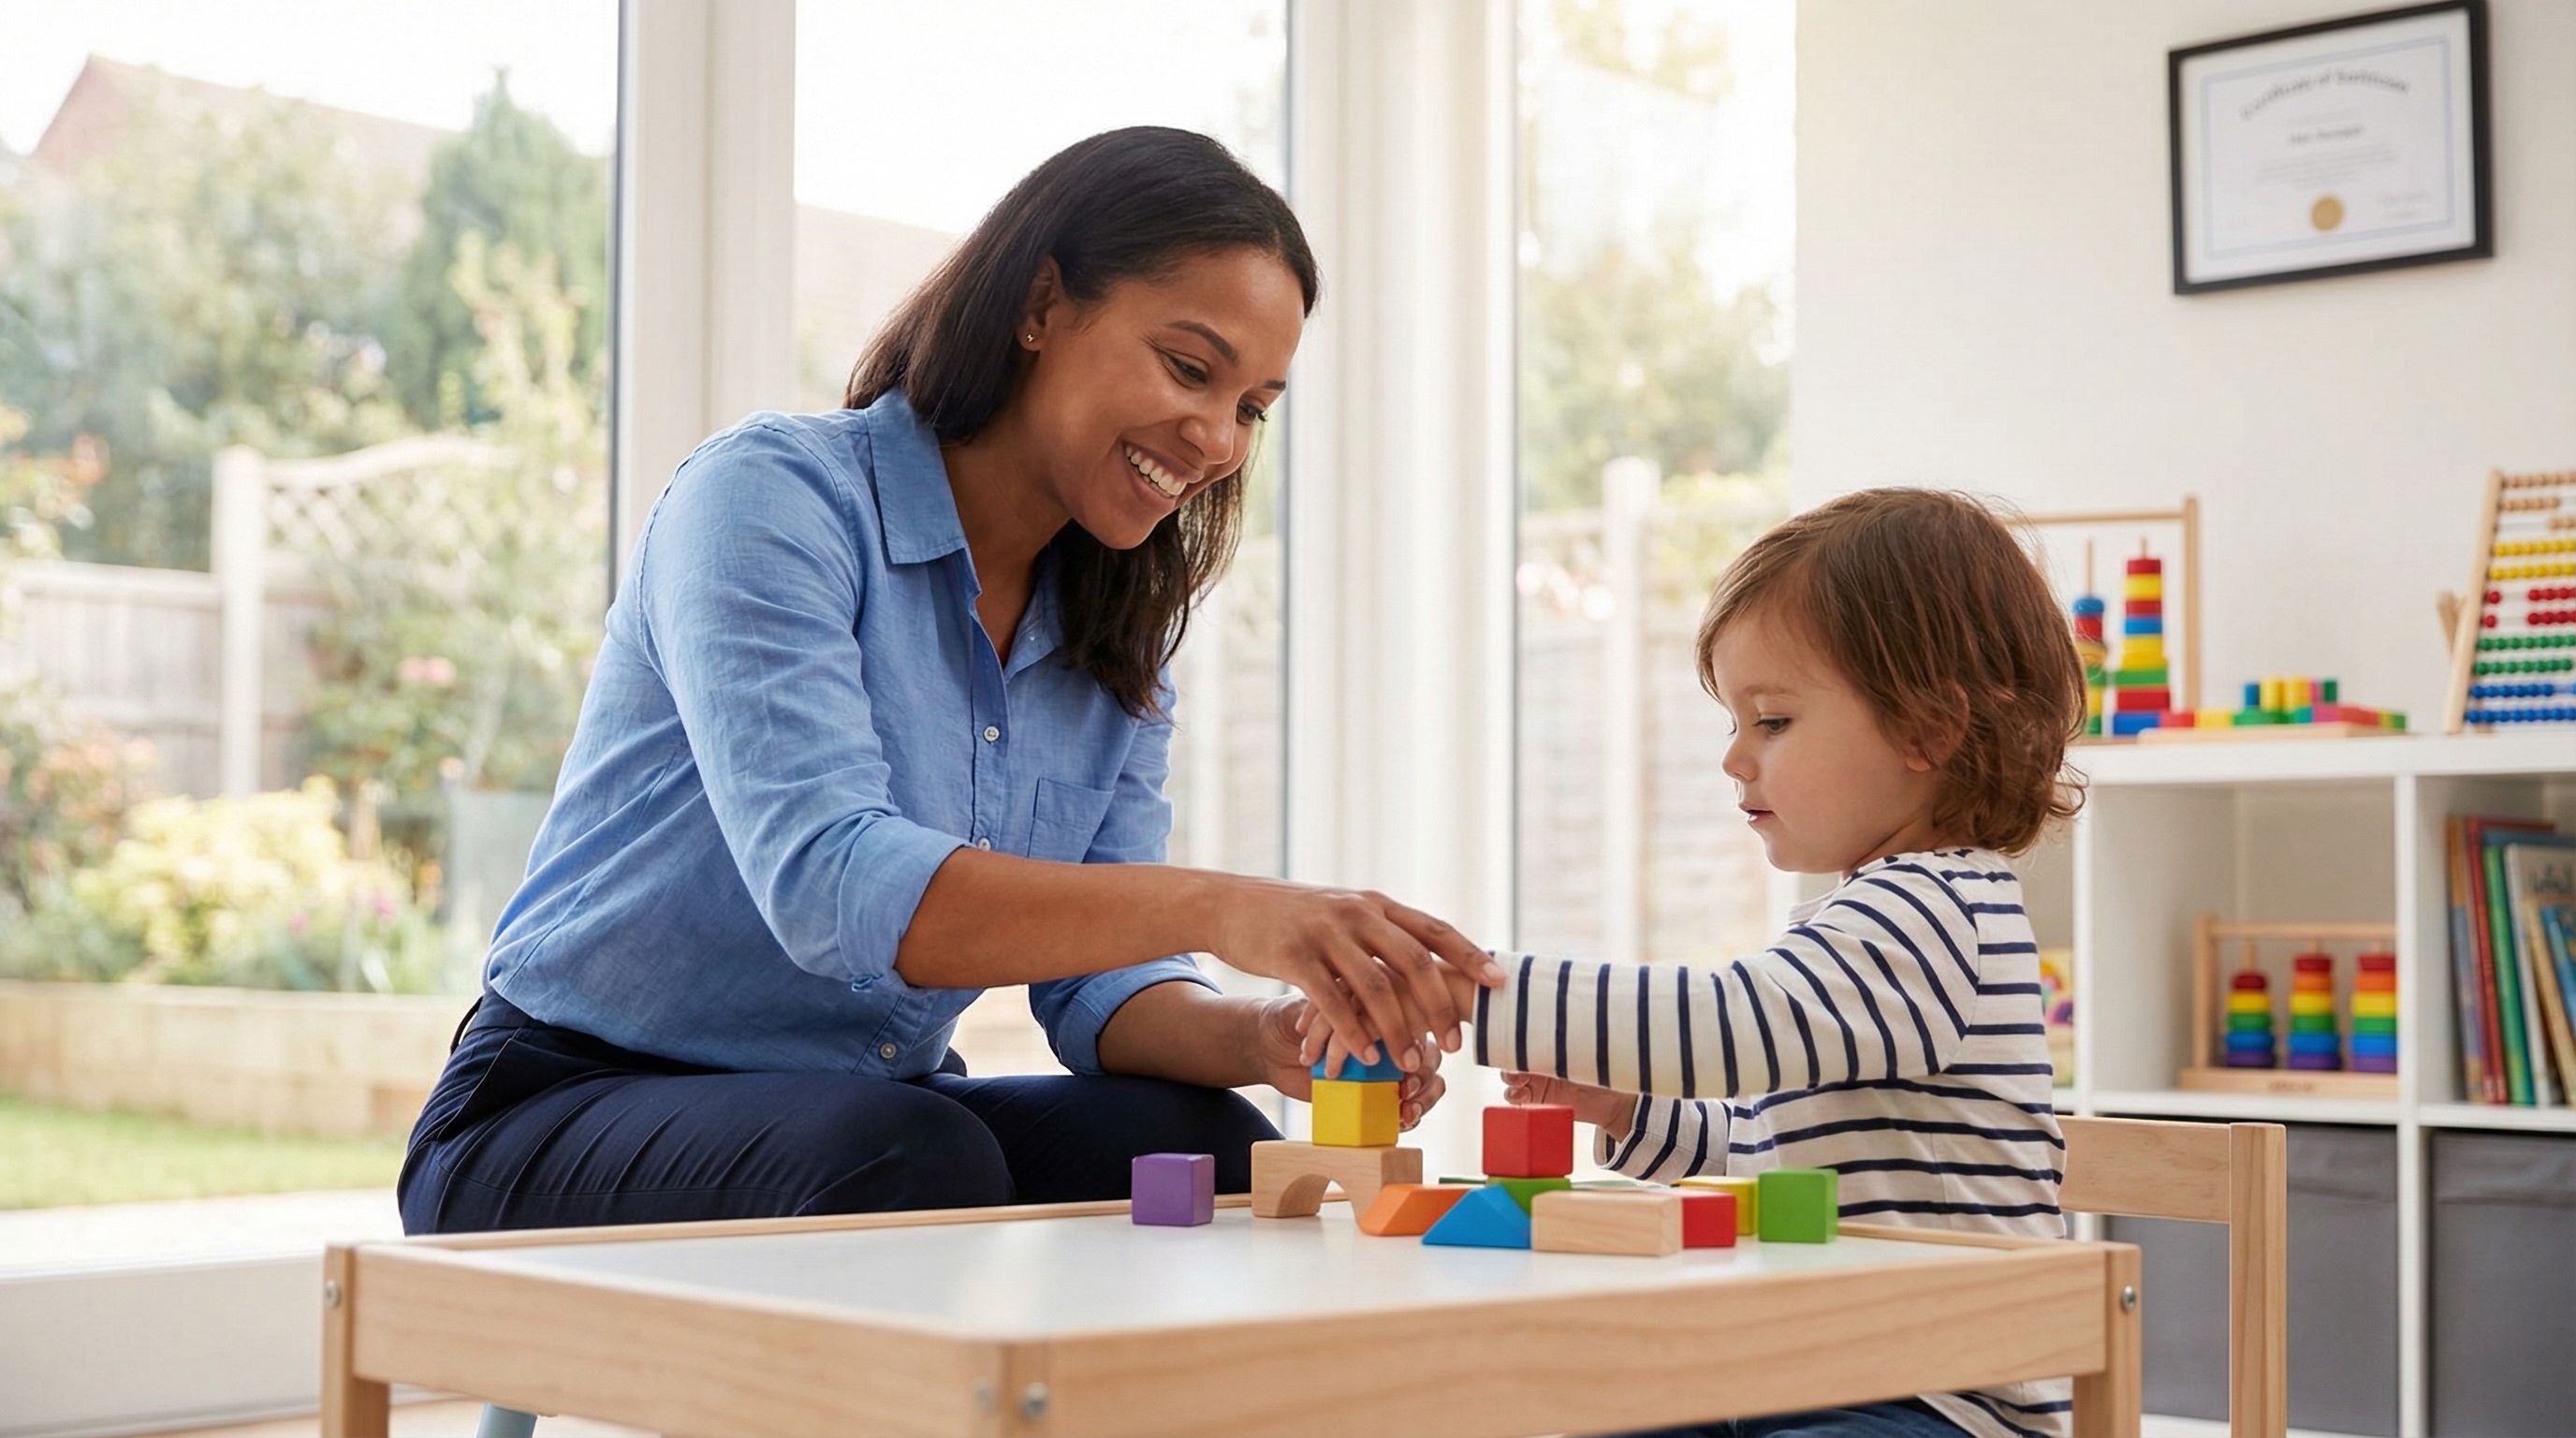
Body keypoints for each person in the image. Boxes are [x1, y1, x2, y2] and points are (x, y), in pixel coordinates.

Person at [400, 126, 1500, 1238]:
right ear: (1039, 306)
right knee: (913, 1156)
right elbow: (834, 886)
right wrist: (1229, 906)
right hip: (558, 1108)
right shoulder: (771, 500)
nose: (1216, 439)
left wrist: (1267, 1036)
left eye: (1252, 408)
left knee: (1206, 1147)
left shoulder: (1113, 629)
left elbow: (1100, 988)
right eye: (1188, 367)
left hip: (867, 1112)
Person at [1330, 488, 2086, 1438]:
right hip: (1809, 1367)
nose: (1734, 758)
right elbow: (1774, 1156)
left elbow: (1734, 1025)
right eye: (1734, 723)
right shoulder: (1866, 914)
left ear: (1925, 731)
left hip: (1938, 1395)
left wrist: (1476, 991)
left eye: (1770, 721)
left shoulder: (1934, 912)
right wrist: (1629, 1113)